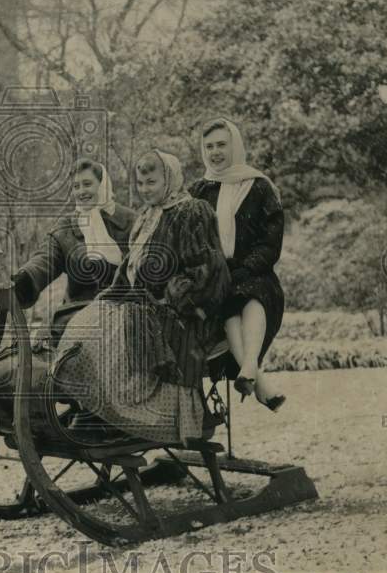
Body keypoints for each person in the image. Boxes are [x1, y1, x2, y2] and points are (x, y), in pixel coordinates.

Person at [52, 149, 231, 445]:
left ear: (169, 179)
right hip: (142, 302)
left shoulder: (191, 211)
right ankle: (97, 411)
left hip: (182, 311)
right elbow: (129, 267)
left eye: (152, 182)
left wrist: (172, 296)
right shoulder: (147, 215)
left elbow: (208, 271)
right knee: (86, 323)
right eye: (141, 183)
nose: (146, 190)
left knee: (115, 331)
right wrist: (112, 296)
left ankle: (132, 418)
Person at [0, 159, 136, 433]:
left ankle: (101, 415)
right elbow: (43, 262)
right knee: (38, 364)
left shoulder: (131, 221)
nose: (81, 191)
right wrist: (19, 280)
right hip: (74, 316)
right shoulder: (66, 229)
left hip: (124, 314)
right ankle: (48, 417)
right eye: (75, 186)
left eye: (87, 184)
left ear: (103, 185)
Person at [189, 118, 286, 411]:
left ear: (235, 145)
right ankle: (254, 375)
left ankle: (249, 370)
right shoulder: (198, 191)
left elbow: (271, 241)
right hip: (215, 274)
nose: (215, 152)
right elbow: (191, 239)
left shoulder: (258, 186)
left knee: (251, 295)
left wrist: (245, 267)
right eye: (209, 147)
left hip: (254, 271)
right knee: (227, 299)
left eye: (221, 144)